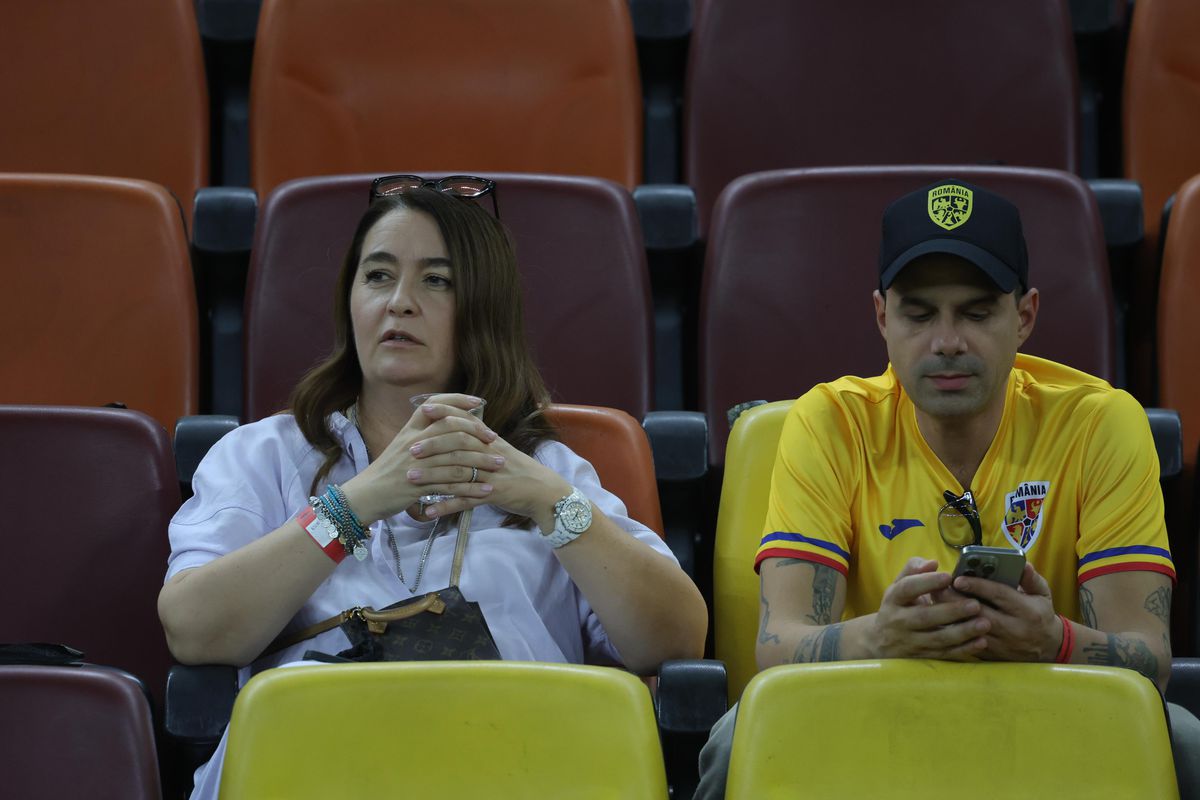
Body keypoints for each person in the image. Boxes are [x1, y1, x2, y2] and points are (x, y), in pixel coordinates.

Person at [157, 176, 708, 799]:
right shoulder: (264, 455)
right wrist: (358, 502)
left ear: (482, 309)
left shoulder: (550, 469)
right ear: (350, 302)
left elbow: (676, 637)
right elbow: (194, 628)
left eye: (436, 280)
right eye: (378, 276)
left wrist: (548, 503)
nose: (400, 302)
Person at [693, 179, 1200, 798]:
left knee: (1183, 741)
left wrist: (1054, 640)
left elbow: (1151, 660)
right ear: (882, 316)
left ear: (1026, 316)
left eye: (978, 312)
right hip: (871, 711)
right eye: (919, 312)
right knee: (733, 738)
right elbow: (777, 648)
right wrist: (879, 637)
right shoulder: (830, 421)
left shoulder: (1100, 423)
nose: (948, 341)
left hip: (1055, 711)